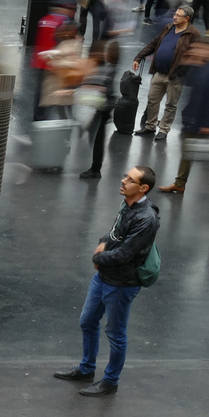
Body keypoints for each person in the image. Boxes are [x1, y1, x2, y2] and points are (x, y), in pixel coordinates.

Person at [54, 166, 160, 397]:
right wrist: (103, 242)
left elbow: (126, 253)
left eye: (129, 179)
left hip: (122, 284)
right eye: (125, 176)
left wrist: (98, 257)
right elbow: (114, 233)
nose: (123, 181)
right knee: (88, 321)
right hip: (105, 276)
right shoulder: (127, 204)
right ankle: (86, 368)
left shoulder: (146, 219)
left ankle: (111, 381)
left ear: (143, 188)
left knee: (115, 332)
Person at [158, 37, 209, 194]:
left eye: (200, 48)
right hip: (192, 118)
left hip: (202, 121)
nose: (196, 51)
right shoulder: (200, 68)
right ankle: (180, 183)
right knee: (188, 153)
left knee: (201, 155)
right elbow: (187, 84)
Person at [131, 4, 197, 140]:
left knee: (171, 105)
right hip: (159, 73)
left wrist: (180, 72)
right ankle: (150, 126)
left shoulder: (193, 34)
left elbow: (194, 56)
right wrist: (139, 57)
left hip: (175, 77)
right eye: (175, 14)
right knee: (152, 100)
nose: (175, 17)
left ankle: (164, 129)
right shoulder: (168, 28)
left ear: (187, 18)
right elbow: (153, 44)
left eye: (179, 16)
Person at [77, 39, 118, 181]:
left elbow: (107, 89)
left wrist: (88, 88)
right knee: (95, 134)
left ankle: (96, 169)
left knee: (98, 138)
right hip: (103, 106)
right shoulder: (108, 68)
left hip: (104, 107)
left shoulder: (109, 69)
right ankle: (95, 167)